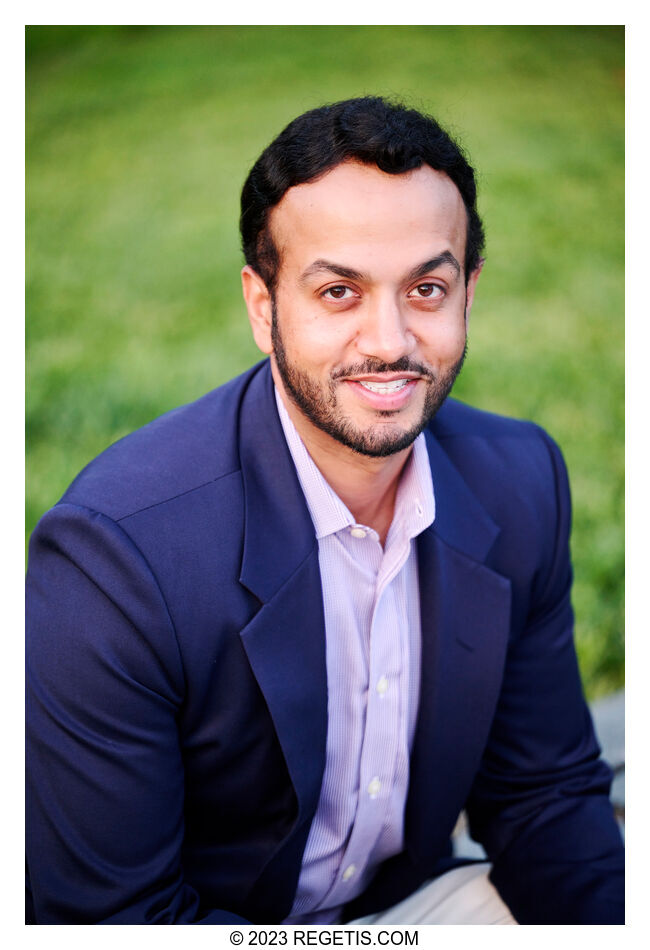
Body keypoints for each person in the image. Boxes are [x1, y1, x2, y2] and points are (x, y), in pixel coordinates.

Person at [25, 96, 624, 925]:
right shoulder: (118, 559)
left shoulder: (521, 482)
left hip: (408, 908)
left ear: (469, 293)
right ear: (263, 306)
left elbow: (545, 796)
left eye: (426, 287)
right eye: (339, 290)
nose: (388, 340)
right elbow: (114, 921)